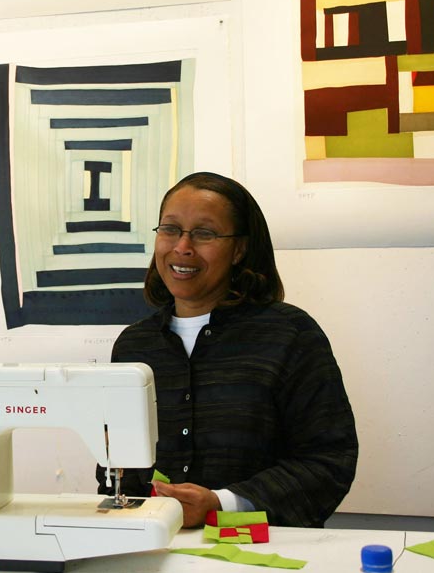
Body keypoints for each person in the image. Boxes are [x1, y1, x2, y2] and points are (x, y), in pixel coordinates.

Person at [97, 171, 358, 528]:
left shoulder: (290, 335)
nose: (182, 246)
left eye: (204, 233)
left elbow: (329, 461)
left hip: (261, 551)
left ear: (239, 249)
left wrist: (221, 505)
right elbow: (116, 468)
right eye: (170, 229)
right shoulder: (134, 346)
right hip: (156, 544)